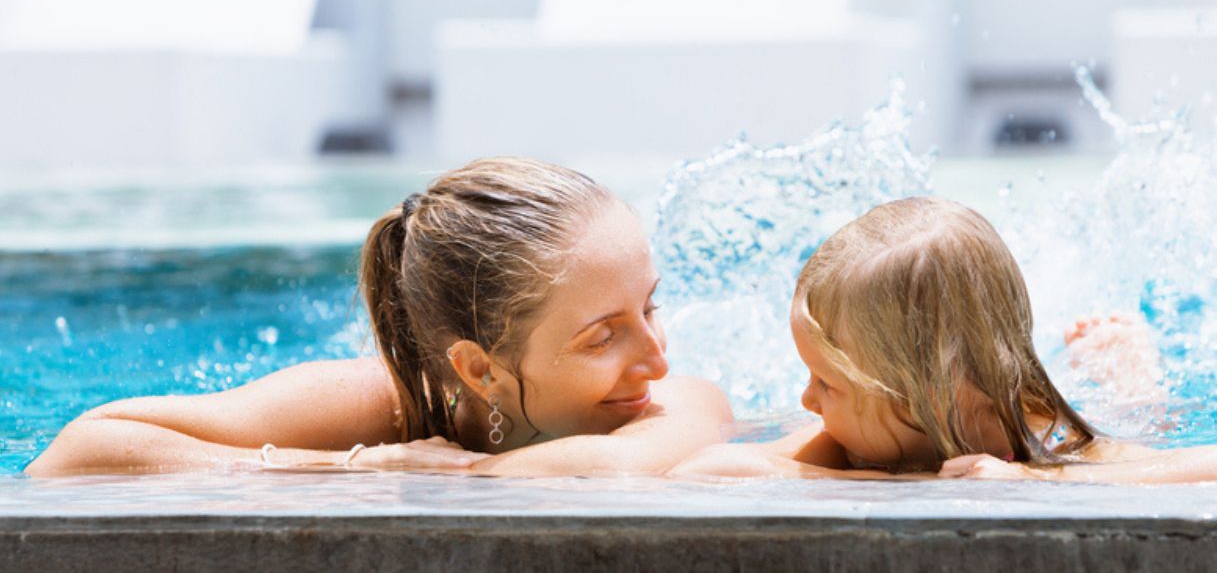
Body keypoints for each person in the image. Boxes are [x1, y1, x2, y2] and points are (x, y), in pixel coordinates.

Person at [26, 158, 732, 477]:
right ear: (477, 368)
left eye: (649, 307)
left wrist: (434, 479)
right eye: (603, 335)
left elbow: (610, 472)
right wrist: (346, 466)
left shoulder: (678, 404)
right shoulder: (380, 404)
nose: (657, 359)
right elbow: (78, 451)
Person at [670, 196, 1195, 482]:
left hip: (1071, 431)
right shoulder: (845, 448)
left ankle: (1126, 370)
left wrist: (1036, 483)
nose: (807, 400)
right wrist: (897, 484)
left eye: (827, 383)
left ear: (926, 391)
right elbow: (702, 469)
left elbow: (1191, 467)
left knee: (1137, 413)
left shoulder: (1045, 442)